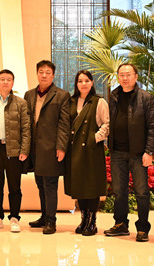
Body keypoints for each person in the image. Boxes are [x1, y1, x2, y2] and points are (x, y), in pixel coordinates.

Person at [105, 63, 154, 242]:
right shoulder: (113, 96)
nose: (125, 78)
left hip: (138, 153)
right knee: (119, 191)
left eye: (128, 74)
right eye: (121, 75)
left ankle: (142, 228)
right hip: (117, 152)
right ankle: (121, 224)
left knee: (141, 191)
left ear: (136, 76)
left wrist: (149, 151)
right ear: (118, 77)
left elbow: (153, 127)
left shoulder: (146, 98)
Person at [24, 60, 71, 234]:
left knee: (50, 184)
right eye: (41, 72)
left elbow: (64, 124)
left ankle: (51, 221)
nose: (44, 75)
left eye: (48, 72)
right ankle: (44, 216)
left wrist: (61, 146)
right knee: (40, 183)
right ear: (37, 74)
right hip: (34, 148)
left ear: (53, 75)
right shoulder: (29, 94)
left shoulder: (62, 95)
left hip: (51, 148)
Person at [0, 69, 30, 233]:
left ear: (12, 83)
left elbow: (26, 128)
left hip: (14, 150)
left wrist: (24, 149)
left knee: (14, 186)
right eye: (2, 79)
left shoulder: (20, 103)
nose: (5, 82)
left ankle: (15, 218)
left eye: (8, 79)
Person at [64, 70, 109, 236]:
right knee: (79, 184)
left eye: (87, 81)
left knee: (91, 185)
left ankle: (92, 221)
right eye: (80, 81)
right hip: (74, 149)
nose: (83, 84)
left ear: (92, 83)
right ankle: (83, 219)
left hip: (91, 149)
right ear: (76, 84)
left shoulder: (99, 101)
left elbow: (107, 124)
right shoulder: (71, 101)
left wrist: (94, 138)